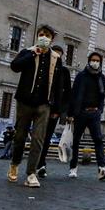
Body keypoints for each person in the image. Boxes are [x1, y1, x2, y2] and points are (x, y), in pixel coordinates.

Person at [8, 24, 62, 188]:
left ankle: (31, 173)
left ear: (52, 39)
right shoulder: (27, 52)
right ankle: (14, 164)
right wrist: (33, 54)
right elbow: (15, 67)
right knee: (20, 137)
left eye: (47, 35)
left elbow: (58, 85)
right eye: (41, 34)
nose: (44, 37)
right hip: (25, 101)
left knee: (38, 139)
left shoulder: (56, 59)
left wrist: (56, 108)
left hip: (43, 104)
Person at [67, 52, 105, 180]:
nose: (95, 62)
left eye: (97, 60)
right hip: (81, 112)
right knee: (76, 140)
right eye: (93, 60)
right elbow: (74, 95)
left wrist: (100, 109)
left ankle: (102, 168)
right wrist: (70, 114)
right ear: (89, 61)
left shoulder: (101, 77)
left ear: (100, 63)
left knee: (98, 139)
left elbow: (102, 95)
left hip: (94, 113)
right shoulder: (81, 76)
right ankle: (73, 167)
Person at [37, 45, 72, 177]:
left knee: (46, 138)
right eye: (54, 54)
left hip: (54, 110)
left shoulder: (64, 72)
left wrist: (62, 111)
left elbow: (67, 93)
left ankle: (41, 164)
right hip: (40, 107)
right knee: (38, 136)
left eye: (59, 55)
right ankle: (35, 163)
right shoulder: (44, 66)